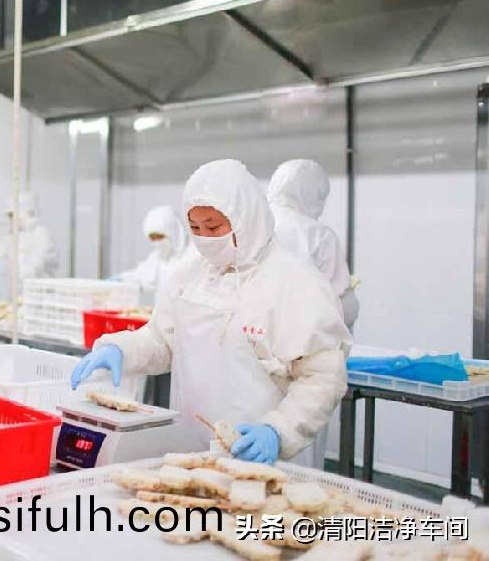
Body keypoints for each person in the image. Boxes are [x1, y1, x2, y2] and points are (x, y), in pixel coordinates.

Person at [70, 159, 351, 467]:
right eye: (195, 228)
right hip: (192, 450)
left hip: (264, 458)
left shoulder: (295, 283)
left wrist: (279, 431)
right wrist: (122, 350)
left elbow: (322, 376)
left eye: (214, 227)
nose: (204, 237)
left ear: (245, 218)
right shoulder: (189, 274)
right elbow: (161, 340)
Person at [267, 159, 359, 327]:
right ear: (310, 194)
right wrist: (348, 288)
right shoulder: (317, 234)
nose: (322, 207)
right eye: (321, 197)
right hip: (300, 335)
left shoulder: (247, 225)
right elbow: (344, 310)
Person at [0, 191, 59, 281]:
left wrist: (0, 267)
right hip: (16, 288)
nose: (10, 219)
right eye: (9, 216)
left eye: (12, 215)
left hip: (38, 288)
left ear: (26, 213)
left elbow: (30, 271)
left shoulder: (41, 235)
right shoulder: (12, 235)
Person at [113, 205, 190, 295]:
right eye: (152, 238)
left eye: (160, 236)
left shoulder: (190, 257)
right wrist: (121, 279)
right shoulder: (157, 258)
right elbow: (141, 276)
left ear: (173, 233)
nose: (157, 242)